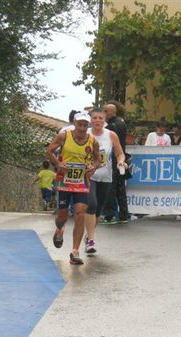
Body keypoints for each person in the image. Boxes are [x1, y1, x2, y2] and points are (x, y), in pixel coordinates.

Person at [46, 112, 101, 265]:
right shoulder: (64, 136)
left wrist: (93, 168)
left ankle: (75, 251)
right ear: (75, 123)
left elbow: (98, 160)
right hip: (64, 181)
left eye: (85, 125)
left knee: (79, 213)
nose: (82, 128)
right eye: (80, 124)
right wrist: (58, 164)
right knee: (62, 216)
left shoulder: (93, 142)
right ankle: (59, 229)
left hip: (82, 182)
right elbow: (49, 151)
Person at [84, 108, 127, 254]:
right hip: (89, 175)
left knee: (97, 211)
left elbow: (120, 153)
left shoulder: (111, 135)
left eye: (100, 118)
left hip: (106, 176)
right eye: (94, 118)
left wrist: (121, 162)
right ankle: (91, 240)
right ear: (90, 120)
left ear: (104, 120)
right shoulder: (86, 134)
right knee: (91, 205)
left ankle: (88, 235)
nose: (97, 121)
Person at [102, 100, 130, 224]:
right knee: (120, 187)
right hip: (121, 159)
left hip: (113, 159)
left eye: (105, 111)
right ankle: (124, 215)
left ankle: (109, 215)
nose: (104, 114)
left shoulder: (111, 126)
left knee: (110, 188)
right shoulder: (122, 123)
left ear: (111, 112)